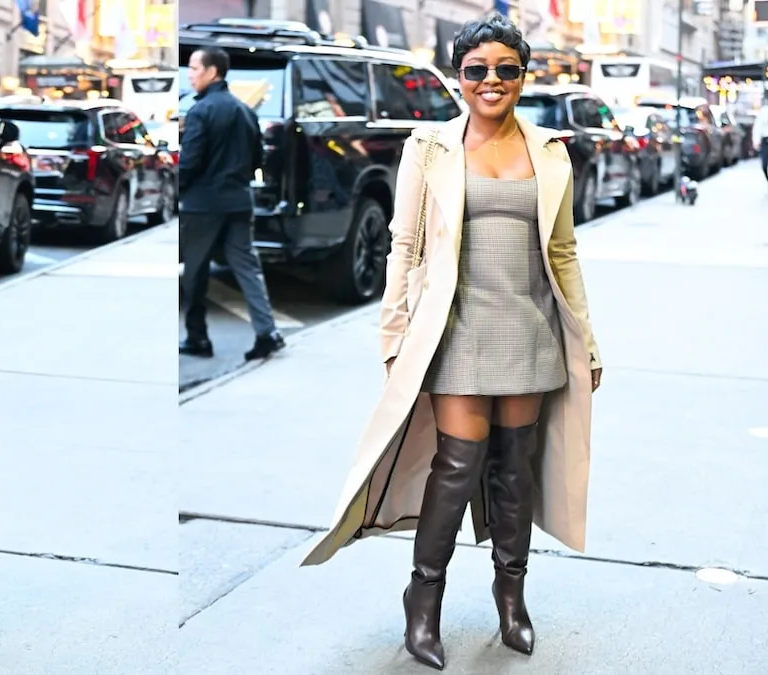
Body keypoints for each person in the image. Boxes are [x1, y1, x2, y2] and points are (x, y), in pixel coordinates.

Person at [300, 14, 602, 671]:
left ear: (523, 75)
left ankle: (511, 595)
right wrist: (392, 333)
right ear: (458, 77)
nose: (491, 82)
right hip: (454, 332)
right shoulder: (429, 146)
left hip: (529, 331)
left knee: (514, 472)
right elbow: (402, 246)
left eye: (506, 69)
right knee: (457, 468)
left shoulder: (550, 150)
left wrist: (589, 338)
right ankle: (424, 599)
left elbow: (565, 251)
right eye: (476, 70)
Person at [179, 46, 285, 361]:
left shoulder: (201, 111)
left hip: (203, 205)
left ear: (213, 72)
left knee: (196, 272)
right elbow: (257, 159)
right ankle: (268, 332)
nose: (190, 74)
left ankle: (198, 338)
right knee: (248, 268)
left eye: (194, 68)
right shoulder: (246, 111)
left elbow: (189, 162)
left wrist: (179, 188)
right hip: (239, 201)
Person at [753, 95, 768, 189]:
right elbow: (758, 126)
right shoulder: (765, 110)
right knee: (764, 163)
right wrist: (756, 140)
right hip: (766, 140)